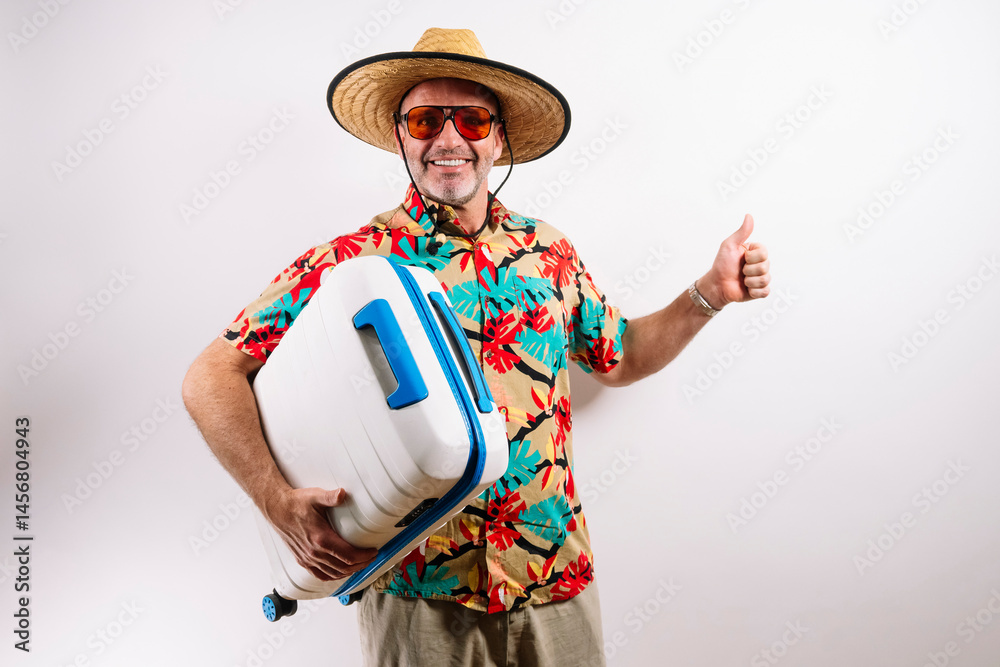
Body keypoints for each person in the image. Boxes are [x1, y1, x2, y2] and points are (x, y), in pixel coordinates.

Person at [182, 27, 770, 666]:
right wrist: (276, 499)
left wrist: (711, 292)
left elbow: (621, 356)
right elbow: (212, 375)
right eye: (426, 119)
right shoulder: (352, 261)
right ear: (401, 135)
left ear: (498, 137)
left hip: (553, 577)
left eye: (472, 118)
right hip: (418, 598)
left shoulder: (549, 253)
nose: (449, 138)